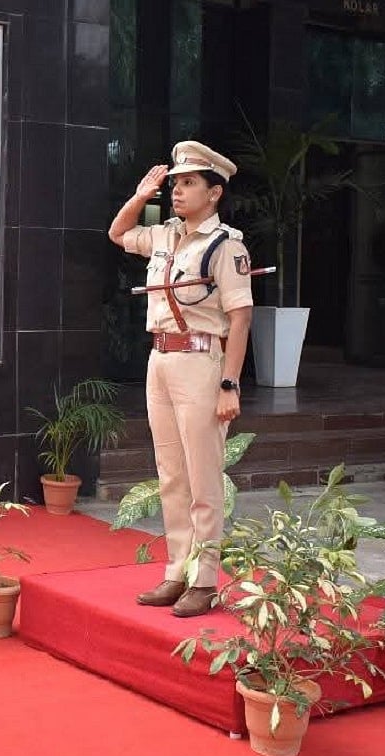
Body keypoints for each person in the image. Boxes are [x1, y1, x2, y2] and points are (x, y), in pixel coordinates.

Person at [108, 142, 253, 617]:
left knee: (202, 476)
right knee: (171, 474)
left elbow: (241, 316)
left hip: (201, 362)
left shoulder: (225, 245)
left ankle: (206, 579)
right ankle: (177, 570)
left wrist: (230, 384)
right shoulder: (166, 236)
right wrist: (140, 193)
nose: (177, 191)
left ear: (214, 193)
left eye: (188, 183)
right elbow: (117, 232)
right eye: (175, 183)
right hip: (161, 361)